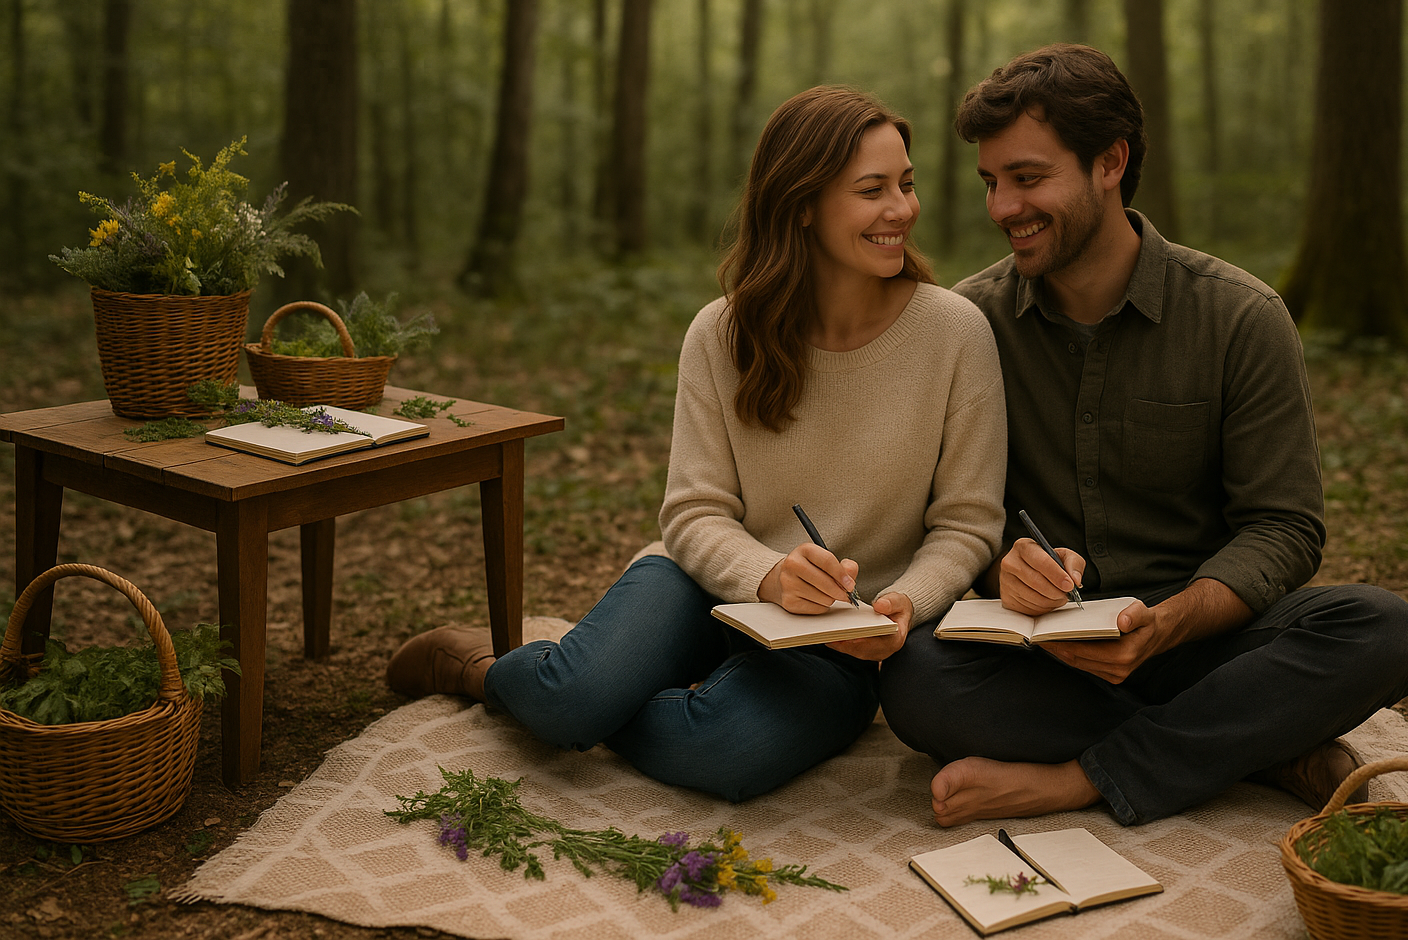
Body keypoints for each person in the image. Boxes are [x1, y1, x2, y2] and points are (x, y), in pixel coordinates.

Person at [387, 85, 1007, 802]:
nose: (902, 209)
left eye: (906, 184)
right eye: (873, 190)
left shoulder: (955, 333)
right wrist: (770, 578)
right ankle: (476, 668)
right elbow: (693, 514)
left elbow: (967, 524)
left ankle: (624, 697)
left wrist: (903, 600)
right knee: (566, 701)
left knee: (720, 751)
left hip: (839, 641)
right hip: (699, 585)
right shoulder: (722, 333)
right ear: (802, 204)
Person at [878, 44, 1408, 827]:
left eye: (1028, 178)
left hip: (1204, 637)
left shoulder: (1241, 317)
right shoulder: (969, 325)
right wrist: (1008, 566)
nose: (1002, 207)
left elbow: (1285, 526)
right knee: (917, 679)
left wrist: (1168, 623)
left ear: (1111, 162)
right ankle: (1261, 746)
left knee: (1380, 630)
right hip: (1045, 651)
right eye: (991, 182)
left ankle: (1084, 776)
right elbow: (953, 516)